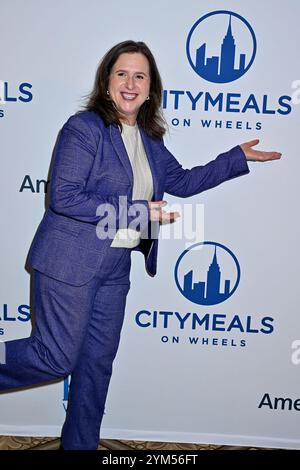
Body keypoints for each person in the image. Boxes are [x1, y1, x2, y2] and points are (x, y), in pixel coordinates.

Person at [0, 40, 281, 450]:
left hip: (115, 270)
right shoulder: (84, 129)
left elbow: (183, 182)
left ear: (150, 89)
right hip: (69, 264)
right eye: (122, 74)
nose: (130, 83)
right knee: (54, 358)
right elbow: (65, 196)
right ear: (106, 81)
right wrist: (135, 211)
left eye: (140, 76)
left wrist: (235, 157)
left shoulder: (149, 141)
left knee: (96, 368)